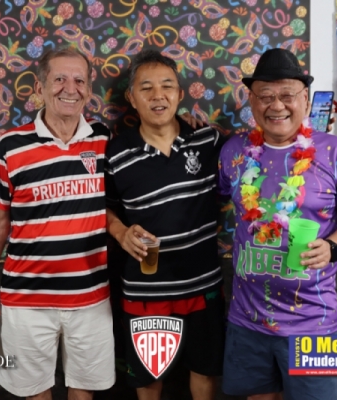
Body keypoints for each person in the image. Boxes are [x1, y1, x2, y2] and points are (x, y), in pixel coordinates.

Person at [217, 48, 337, 400]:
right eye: (266, 96)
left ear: (305, 99)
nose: (277, 105)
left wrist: (333, 246)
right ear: (252, 100)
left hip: (312, 322)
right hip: (247, 319)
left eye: (287, 95)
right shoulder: (234, 152)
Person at [0, 46, 115, 400]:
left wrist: (185, 127)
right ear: (40, 87)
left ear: (89, 89)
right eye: (60, 79)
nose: (70, 88)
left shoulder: (104, 140)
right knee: (34, 394)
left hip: (91, 299)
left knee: (84, 394)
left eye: (79, 80)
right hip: (26, 301)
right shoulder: (10, 146)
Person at [105, 49, 225, 400]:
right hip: (146, 292)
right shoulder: (116, 154)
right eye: (146, 88)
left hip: (203, 285)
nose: (158, 95)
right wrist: (121, 232)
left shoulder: (209, 141)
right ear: (131, 98)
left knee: (204, 372)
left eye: (167, 86)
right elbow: (104, 209)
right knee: (148, 379)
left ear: (180, 94)